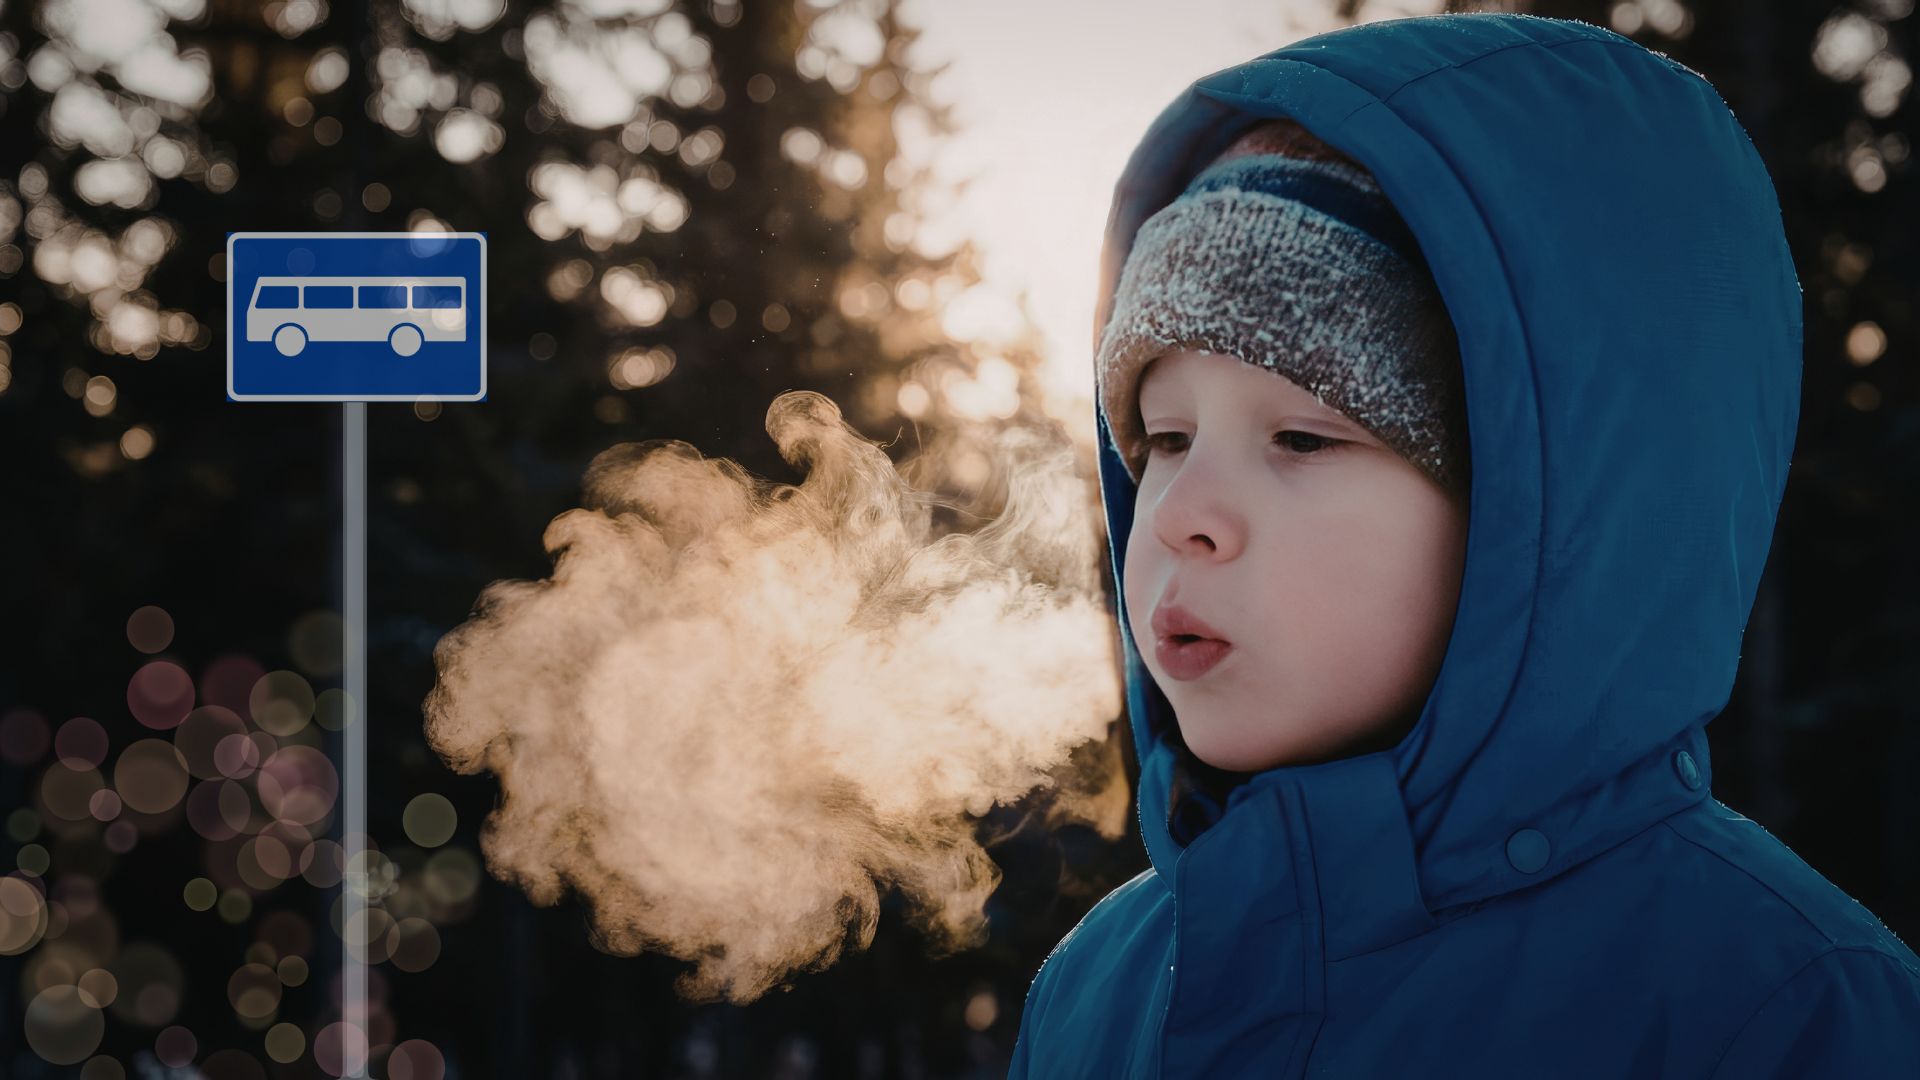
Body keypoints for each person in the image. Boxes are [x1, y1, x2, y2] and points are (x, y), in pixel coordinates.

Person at [1008, 12, 1920, 1078]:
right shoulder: (1093, 994)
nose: (1176, 512)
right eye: (1163, 439)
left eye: (1301, 438)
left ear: (1538, 522)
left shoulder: (1782, 1012)